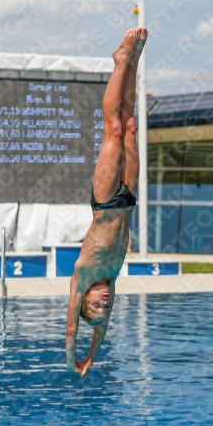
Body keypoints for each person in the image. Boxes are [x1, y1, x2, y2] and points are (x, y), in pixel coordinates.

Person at [66, 27, 148, 377]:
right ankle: (134, 62)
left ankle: (119, 62)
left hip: (104, 202)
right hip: (128, 198)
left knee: (113, 128)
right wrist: (94, 357)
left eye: (97, 306)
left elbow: (74, 330)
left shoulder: (82, 277)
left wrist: (75, 361)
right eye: (106, 306)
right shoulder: (112, 278)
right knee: (130, 128)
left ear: (85, 299)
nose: (105, 302)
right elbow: (100, 329)